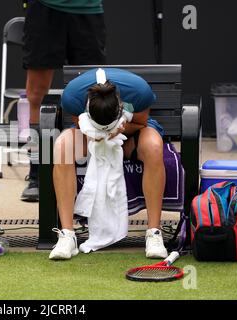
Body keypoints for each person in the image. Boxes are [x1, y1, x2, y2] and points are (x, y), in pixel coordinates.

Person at [49, 67, 168, 260]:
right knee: (62, 147)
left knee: (154, 146)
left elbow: (142, 121)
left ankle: (154, 232)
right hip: (90, 135)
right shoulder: (73, 96)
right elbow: (78, 124)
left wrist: (121, 128)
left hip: (133, 130)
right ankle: (67, 235)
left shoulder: (139, 91)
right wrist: (97, 133)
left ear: (121, 106)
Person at [21, 0, 106, 202]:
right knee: (36, 94)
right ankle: (37, 174)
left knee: (92, 92)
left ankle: (87, 172)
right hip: (45, 9)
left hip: (88, 9)